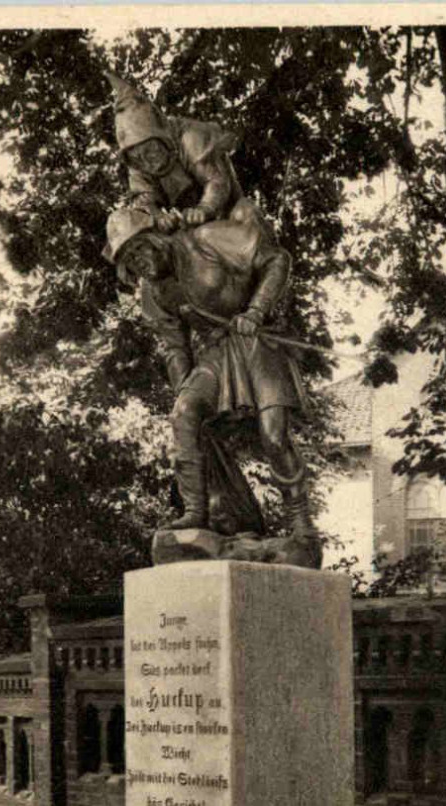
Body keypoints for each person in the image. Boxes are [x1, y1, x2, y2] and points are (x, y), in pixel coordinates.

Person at [103, 206, 317, 539]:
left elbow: (277, 260)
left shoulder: (205, 238)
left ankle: (300, 522)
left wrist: (257, 310)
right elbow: (174, 345)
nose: (139, 261)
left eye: (139, 249)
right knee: (184, 414)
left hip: (257, 341)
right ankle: (195, 514)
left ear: (154, 237)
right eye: (129, 260)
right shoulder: (153, 291)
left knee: (273, 437)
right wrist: (184, 387)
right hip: (216, 354)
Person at [106, 73, 269, 237]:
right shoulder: (138, 165)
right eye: (137, 157)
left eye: (150, 150)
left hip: (231, 211)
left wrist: (204, 208)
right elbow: (144, 200)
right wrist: (158, 217)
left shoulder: (190, 138)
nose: (146, 161)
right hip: (192, 229)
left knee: (247, 217)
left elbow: (216, 180)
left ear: (160, 137)